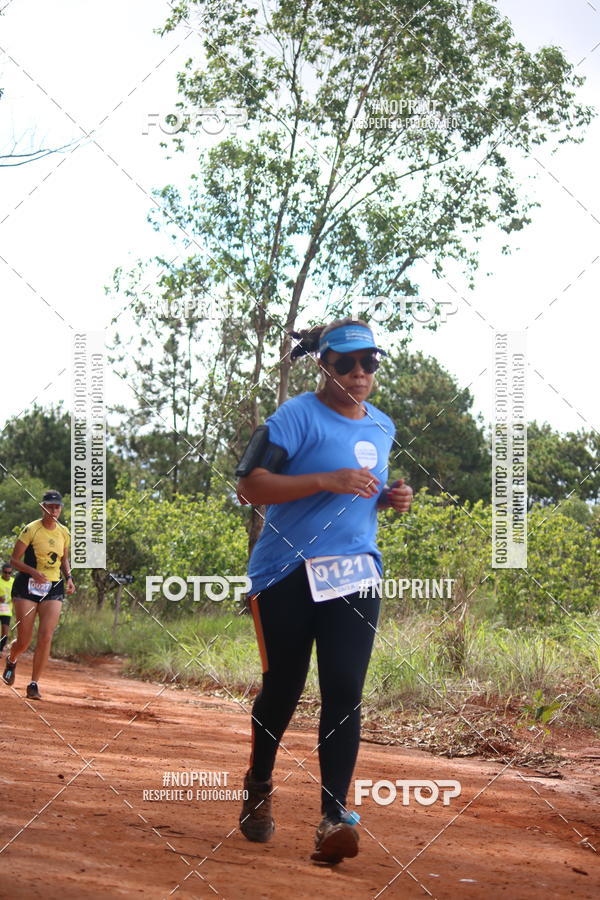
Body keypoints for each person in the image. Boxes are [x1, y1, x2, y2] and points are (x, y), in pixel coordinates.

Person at [235, 318, 413, 864]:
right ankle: (259, 784)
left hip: (354, 573)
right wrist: (325, 480)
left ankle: (333, 817)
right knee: (283, 689)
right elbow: (249, 486)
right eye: (345, 364)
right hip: (285, 572)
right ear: (323, 364)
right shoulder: (293, 418)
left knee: (343, 689)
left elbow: (359, 493)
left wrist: (387, 498)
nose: (359, 374)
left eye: (369, 363)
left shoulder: (382, 427)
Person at [2, 490, 75, 699]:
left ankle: (34, 684)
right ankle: (12, 659)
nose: (54, 510)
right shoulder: (31, 529)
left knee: (46, 636)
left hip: (53, 587)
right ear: (43, 507)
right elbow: (14, 560)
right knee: (25, 640)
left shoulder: (64, 532)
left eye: (57, 507)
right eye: (50, 506)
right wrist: (33, 572)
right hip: (27, 585)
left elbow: (63, 559)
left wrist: (69, 578)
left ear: (61, 509)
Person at [0, 563, 15, 655]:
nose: (7, 575)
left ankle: (0, 650)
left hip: (6, 611)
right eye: (5, 572)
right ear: (2, 572)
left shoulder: (14, 581)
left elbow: (18, 593)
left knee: (5, 632)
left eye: (9, 573)